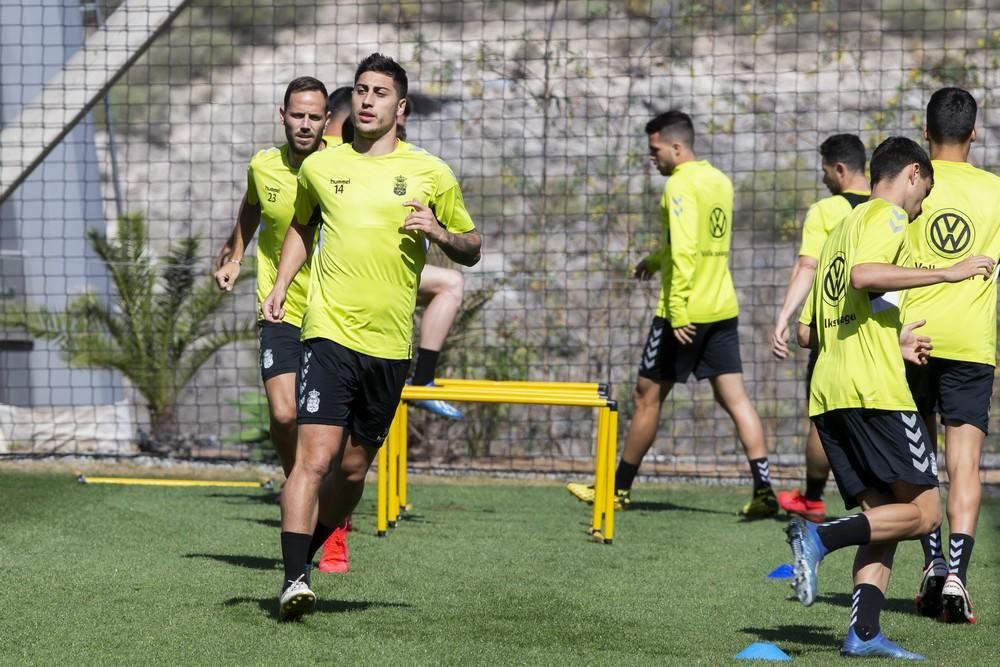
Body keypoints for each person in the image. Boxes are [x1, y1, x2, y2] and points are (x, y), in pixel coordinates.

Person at [262, 53, 482, 621]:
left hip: (388, 348)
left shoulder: (431, 173)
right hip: (327, 333)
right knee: (314, 458)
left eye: (380, 92)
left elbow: (473, 246)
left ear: (400, 107)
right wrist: (283, 284)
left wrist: (438, 230)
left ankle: (304, 557)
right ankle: (292, 580)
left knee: (354, 470)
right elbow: (301, 228)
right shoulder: (320, 168)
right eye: (361, 89)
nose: (366, 100)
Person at [788, 136, 994, 658]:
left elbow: (807, 333)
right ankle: (819, 538)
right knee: (925, 514)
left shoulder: (838, 229)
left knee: (883, 516)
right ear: (914, 173)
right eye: (925, 189)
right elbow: (866, 277)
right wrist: (946, 271)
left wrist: (892, 336)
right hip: (874, 392)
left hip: (830, 394)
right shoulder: (889, 217)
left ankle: (862, 633)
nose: (923, 203)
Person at [570, 110, 778, 518]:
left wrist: (680, 313)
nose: (653, 158)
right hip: (722, 307)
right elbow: (699, 245)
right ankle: (765, 490)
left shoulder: (679, 187)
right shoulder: (720, 180)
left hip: (683, 315)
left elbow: (685, 252)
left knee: (646, 397)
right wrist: (656, 258)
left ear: (676, 146)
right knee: (735, 398)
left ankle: (616, 490)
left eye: (655, 149)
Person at [902, 88, 1000, 624]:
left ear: (925, 131)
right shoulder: (995, 190)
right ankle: (958, 573)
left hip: (911, 338)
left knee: (919, 460)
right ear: (975, 133)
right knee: (965, 463)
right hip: (970, 343)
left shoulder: (910, 182)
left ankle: (933, 562)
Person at [213, 76, 331, 475]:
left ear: (326, 120)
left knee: (327, 422)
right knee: (283, 415)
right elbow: (250, 208)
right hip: (278, 304)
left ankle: (322, 492)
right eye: (297, 115)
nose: (304, 124)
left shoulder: (343, 166)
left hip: (334, 310)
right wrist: (234, 256)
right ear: (282, 116)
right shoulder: (263, 166)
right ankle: (295, 480)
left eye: (314, 117)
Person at [771, 135, 870, 522]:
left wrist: (783, 317)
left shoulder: (827, 210)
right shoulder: (890, 207)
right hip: (882, 332)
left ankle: (813, 498)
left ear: (840, 169)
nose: (824, 177)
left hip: (835, 328)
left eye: (826, 170)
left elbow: (807, 267)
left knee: (823, 414)